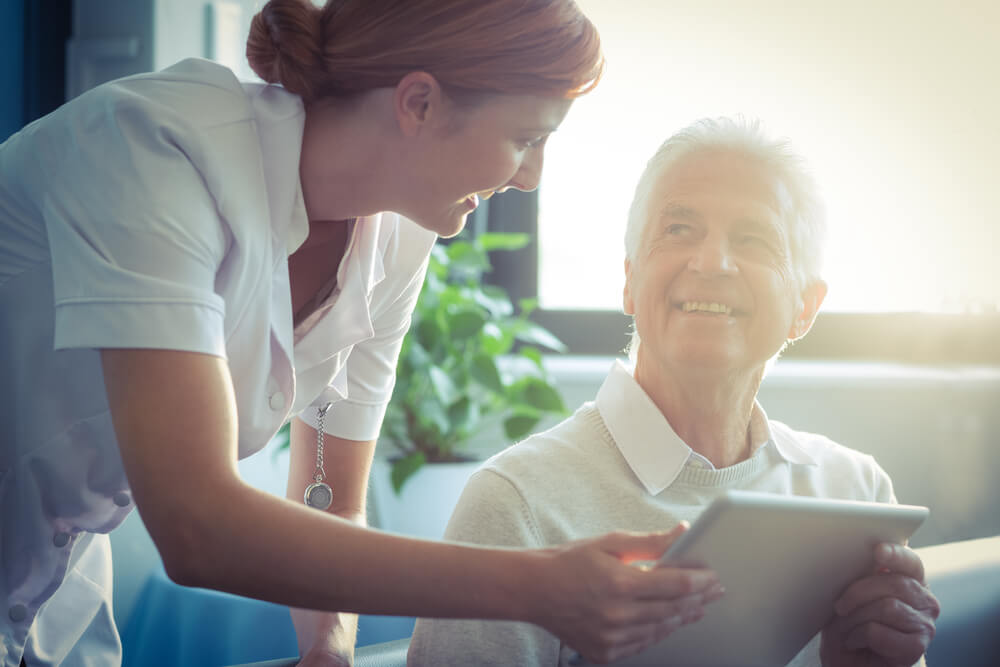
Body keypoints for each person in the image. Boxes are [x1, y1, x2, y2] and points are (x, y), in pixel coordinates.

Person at [0, 1, 728, 666]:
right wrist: (538, 586)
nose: (532, 177)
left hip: (55, 591)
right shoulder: (156, 154)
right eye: (525, 138)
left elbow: (331, 498)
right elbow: (197, 522)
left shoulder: (399, 232)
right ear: (418, 102)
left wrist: (330, 647)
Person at [407, 117, 941, 667]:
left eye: (753, 238)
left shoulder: (855, 492)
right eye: (680, 230)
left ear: (805, 308)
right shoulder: (515, 504)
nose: (711, 262)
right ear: (630, 281)